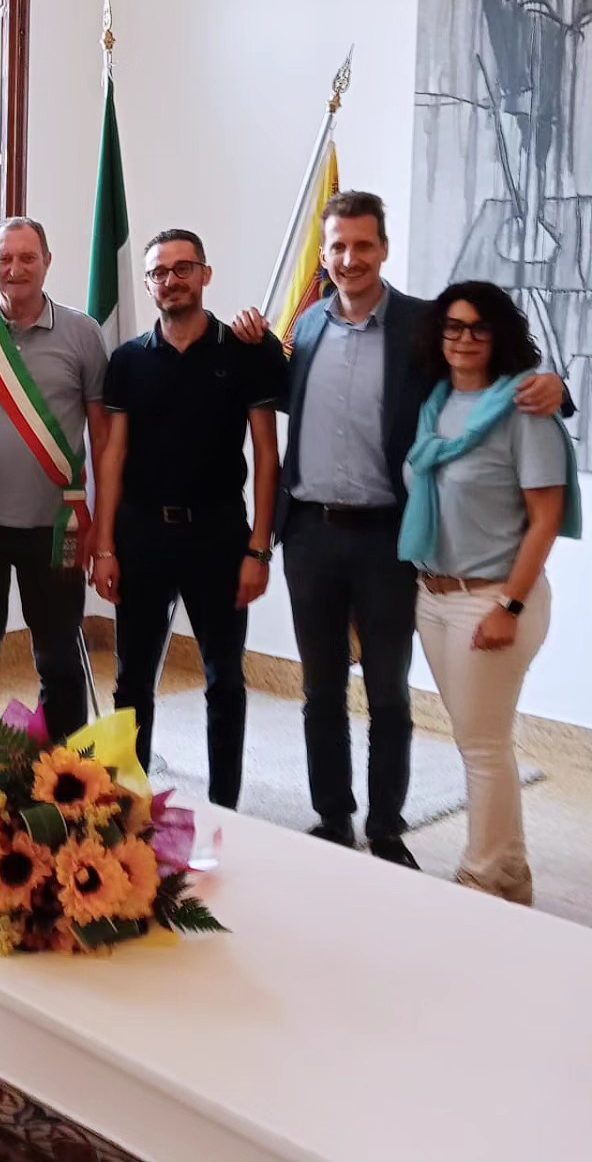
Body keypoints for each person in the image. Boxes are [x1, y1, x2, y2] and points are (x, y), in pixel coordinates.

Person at [233, 190, 565, 866]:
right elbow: (278, 394)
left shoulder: (422, 325)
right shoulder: (309, 325)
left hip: (389, 538)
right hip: (311, 535)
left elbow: (488, 368)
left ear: (383, 248)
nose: (350, 258)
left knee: (387, 692)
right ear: (325, 254)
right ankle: (333, 818)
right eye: (338, 246)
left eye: (363, 245)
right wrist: (255, 345)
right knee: (321, 689)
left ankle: (386, 828)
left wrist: (557, 388)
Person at [91, 230, 286, 807]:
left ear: (205, 274)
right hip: (142, 535)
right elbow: (113, 455)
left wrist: (259, 548)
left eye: (183, 268)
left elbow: (267, 454)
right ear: (148, 283)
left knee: (224, 679)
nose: (171, 280)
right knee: (132, 680)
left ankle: (227, 808)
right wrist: (104, 546)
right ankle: (128, 806)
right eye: (159, 272)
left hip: (219, 535)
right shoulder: (128, 360)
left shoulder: (244, 351)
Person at [398, 282, 578, 904]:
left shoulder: (525, 408)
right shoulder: (435, 404)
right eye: (453, 326)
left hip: (494, 597)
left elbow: (545, 520)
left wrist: (510, 606)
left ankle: (479, 877)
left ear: (499, 335)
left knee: (481, 746)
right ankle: (511, 874)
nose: (464, 338)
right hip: (434, 596)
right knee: (479, 741)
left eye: (478, 327)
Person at [0, 217, 110, 742]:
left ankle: (64, 773)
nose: (15, 269)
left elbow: (102, 439)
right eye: (4, 259)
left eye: (27, 257)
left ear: (47, 262)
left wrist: (101, 527)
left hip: (56, 526)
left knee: (59, 657)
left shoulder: (83, 333)